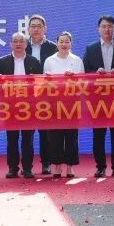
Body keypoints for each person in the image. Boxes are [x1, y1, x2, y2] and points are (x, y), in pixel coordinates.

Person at [82, 15, 114, 178]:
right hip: (97, 99)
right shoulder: (90, 48)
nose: (107, 29)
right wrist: (95, 73)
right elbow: (85, 72)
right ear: (99, 29)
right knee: (98, 134)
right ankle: (100, 167)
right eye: (104, 26)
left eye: (110, 26)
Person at [0, 32, 43, 178]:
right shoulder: (3, 62)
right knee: (12, 139)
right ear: (10, 44)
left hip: (29, 106)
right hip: (9, 106)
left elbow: (40, 84)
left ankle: (27, 168)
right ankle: (13, 168)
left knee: (28, 139)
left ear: (26, 44)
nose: (18, 44)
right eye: (15, 41)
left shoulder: (34, 61)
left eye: (21, 41)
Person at [43, 31, 83, 178]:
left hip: (72, 104)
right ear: (57, 43)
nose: (64, 44)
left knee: (71, 137)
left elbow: (84, 82)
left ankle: (70, 167)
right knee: (55, 137)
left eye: (67, 42)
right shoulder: (49, 60)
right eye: (61, 41)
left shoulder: (77, 60)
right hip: (53, 104)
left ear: (71, 43)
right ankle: (57, 166)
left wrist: (74, 77)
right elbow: (44, 83)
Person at [27, 14, 58, 175]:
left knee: (45, 132)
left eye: (39, 26)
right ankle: (27, 166)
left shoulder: (54, 47)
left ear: (45, 28)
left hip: (48, 95)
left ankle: (46, 163)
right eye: (33, 26)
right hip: (26, 96)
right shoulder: (22, 46)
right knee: (27, 132)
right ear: (28, 29)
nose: (36, 29)